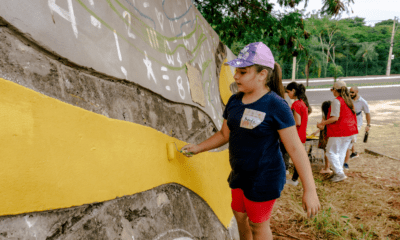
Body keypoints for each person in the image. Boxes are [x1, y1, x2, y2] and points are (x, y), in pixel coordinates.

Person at [182, 42, 320, 240]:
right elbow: (224, 134)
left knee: (258, 225)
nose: (236, 76)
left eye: (243, 72)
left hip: (264, 177)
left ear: (262, 74)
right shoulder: (234, 101)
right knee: (239, 216)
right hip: (240, 174)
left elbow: (296, 148)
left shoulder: (276, 105)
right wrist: (198, 148)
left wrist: (310, 190)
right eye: (236, 71)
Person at [317, 81, 358, 182]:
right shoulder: (348, 100)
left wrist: (323, 123)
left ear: (335, 90)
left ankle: (339, 173)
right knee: (341, 152)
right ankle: (338, 172)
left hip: (339, 130)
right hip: (350, 130)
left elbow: (335, 117)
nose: (332, 92)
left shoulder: (337, 101)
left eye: (332, 90)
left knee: (330, 152)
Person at [285, 82, 312, 186]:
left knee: (295, 158)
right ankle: (294, 179)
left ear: (293, 91)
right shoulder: (302, 103)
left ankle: (294, 179)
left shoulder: (296, 104)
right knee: (298, 158)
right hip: (301, 134)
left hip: (296, 134)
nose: (288, 95)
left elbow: (297, 122)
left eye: (288, 92)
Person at [343, 86, 371, 169]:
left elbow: (367, 114)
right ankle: (354, 153)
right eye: (350, 92)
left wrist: (368, 125)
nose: (350, 94)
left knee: (349, 141)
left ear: (357, 92)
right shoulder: (348, 99)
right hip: (348, 122)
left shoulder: (362, 102)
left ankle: (346, 163)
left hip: (357, 124)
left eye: (352, 92)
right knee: (350, 138)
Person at [312, 101, 332, 174]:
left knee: (326, 152)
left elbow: (322, 127)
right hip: (331, 135)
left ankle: (327, 167)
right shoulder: (333, 116)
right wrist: (316, 132)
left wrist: (318, 126)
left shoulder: (325, 117)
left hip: (325, 136)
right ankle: (330, 166)